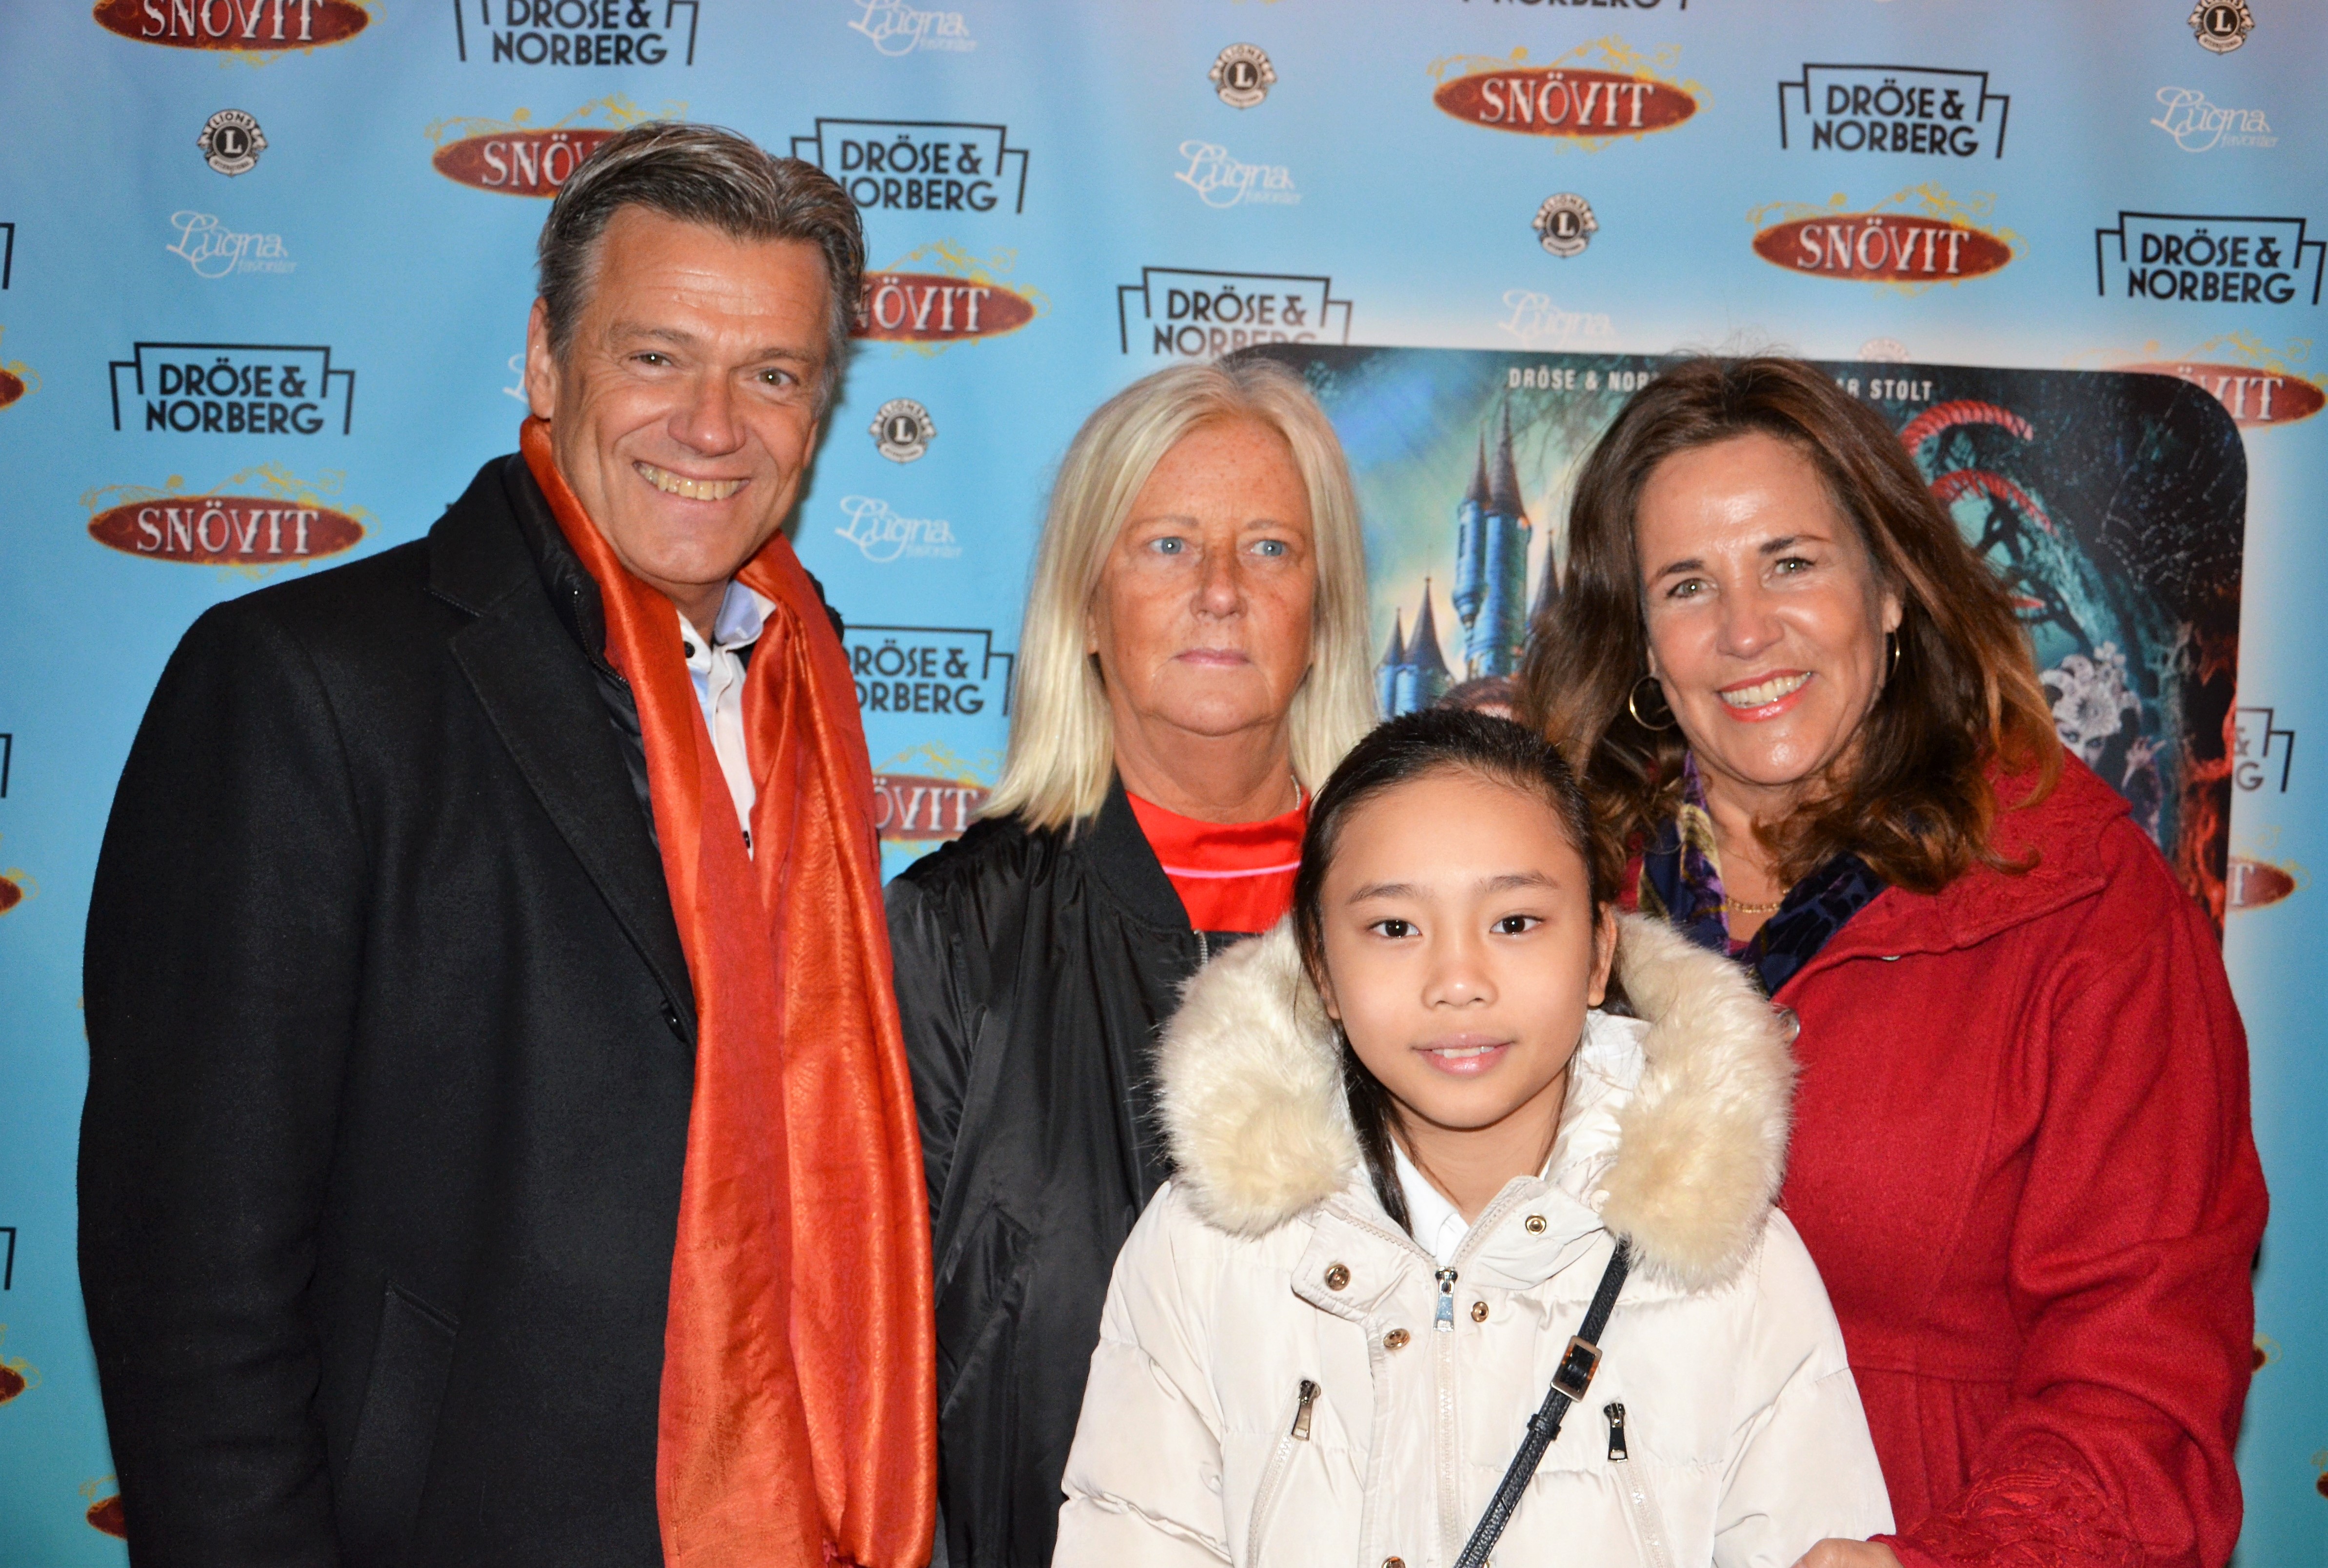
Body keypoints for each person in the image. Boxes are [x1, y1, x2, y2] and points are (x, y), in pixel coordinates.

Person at [79, 123, 934, 1568]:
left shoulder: (805, 687)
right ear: (547, 360)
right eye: (656, 357)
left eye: (774, 375)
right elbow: (191, 1271)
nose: (712, 425)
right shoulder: (306, 681)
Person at [1522, 356, 2268, 1568]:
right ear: (1642, 640)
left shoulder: (2081, 907)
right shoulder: (1545, 891)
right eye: (1687, 585)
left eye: (1790, 563)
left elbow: (2142, 1386)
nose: (1745, 631)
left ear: (1888, 590)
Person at [1055, 709, 1894, 1565]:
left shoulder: (1730, 1254)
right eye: (1394, 928)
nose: (1457, 982)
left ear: (1598, 953)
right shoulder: (1203, 1246)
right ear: (1320, 966)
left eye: (1514, 923)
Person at [885, 358, 1375, 1568]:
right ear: (1087, 606)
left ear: (1323, 614)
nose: (1220, 591)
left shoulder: (1430, 929)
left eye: (1270, 548)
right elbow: (863, 1386)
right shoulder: (950, 938)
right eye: (1166, 545)